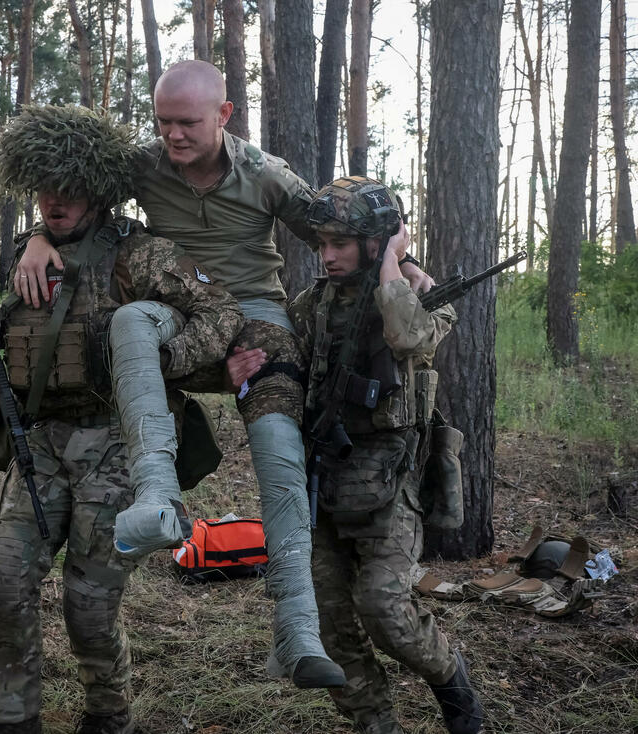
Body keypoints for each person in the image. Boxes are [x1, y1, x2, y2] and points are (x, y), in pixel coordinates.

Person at [14, 60, 433, 689]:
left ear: (224, 116)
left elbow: (339, 227)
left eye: (187, 123)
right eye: (163, 122)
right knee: (130, 320)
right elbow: (75, 204)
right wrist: (34, 239)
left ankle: (297, 633)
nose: (173, 136)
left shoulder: (265, 176)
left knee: (278, 446)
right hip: (178, 311)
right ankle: (157, 498)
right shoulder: (142, 167)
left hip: (257, 320)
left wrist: (403, 262)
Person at [0, 104, 243, 734]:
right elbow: (8, 331)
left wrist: (158, 359)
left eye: (70, 190)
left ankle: (108, 714)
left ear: (96, 189)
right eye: (44, 191)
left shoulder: (136, 255)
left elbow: (221, 313)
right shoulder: (29, 257)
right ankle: (11, 719)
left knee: (88, 609)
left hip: (113, 447)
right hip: (41, 449)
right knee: (1, 585)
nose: (55, 203)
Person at [229, 176, 484, 734]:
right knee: (328, 621)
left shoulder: (417, 295)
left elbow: (410, 340)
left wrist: (395, 261)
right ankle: (373, 723)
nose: (326, 255)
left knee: (387, 611)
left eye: (340, 243)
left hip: (390, 485)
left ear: (375, 240)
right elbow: (275, 359)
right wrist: (243, 372)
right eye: (321, 243)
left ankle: (452, 682)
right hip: (323, 477)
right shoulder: (312, 304)